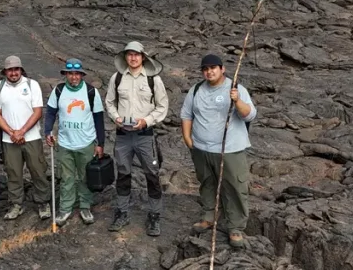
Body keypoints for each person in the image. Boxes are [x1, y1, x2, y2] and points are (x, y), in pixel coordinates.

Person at [181, 54, 257, 248]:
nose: (209, 71)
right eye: (205, 69)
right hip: (201, 148)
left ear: (222, 69)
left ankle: (236, 227)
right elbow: (186, 114)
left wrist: (237, 100)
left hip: (230, 149)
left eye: (213, 68)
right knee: (207, 183)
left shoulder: (236, 88)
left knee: (234, 187)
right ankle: (209, 216)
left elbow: (249, 115)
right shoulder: (196, 89)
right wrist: (188, 138)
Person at [103, 41, 169, 236]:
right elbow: (109, 101)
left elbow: (162, 106)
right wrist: (116, 118)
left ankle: (155, 215)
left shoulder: (153, 80)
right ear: (125, 57)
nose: (133, 58)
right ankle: (122, 212)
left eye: (137, 55)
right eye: (129, 54)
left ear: (143, 57)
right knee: (123, 173)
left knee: (152, 174)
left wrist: (146, 121)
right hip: (123, 135)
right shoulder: (117, 78)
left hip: (145, 135)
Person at [44, 58, 105, 226]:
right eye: (70, 74)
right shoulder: (59, 90)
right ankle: (65, 209)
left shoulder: (91, 92)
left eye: (77, 74)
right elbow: (50, 113)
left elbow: (99, 119)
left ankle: (85, 207)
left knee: (85, 177)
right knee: (66, 178)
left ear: (81, 75)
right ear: (65, 74)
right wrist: (47, 131)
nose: (73, 77)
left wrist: (100, 144)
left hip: (85, 142)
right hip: (64, 143)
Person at [0, 55, 51, 220]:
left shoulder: (32, 85)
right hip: (9, 140)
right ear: (5, 71)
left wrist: (22, 131)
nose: (13, 73)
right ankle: (16, 204)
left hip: (31, 137)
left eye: (16, 69)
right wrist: (12, 133)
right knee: (13, 173)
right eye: (10, 70)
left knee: (38, 170)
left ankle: (43, 202)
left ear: (21, 70)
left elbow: (38, 111)